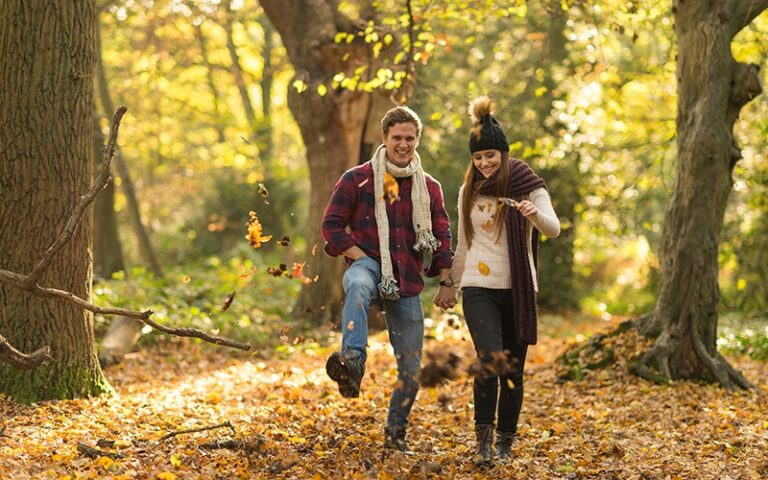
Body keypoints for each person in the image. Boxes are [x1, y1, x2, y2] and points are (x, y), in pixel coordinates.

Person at [321, 105, 456, 451]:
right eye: (397, 137)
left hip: (406, 277)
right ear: (384, 137)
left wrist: (446, 281)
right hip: (367, 263)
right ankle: (352, 361)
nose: (403, 144)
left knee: (411, 369)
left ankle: (395, 434)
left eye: (409, 138)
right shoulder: (357, 179)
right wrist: (360, 257)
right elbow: (331, 226)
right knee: (357, 285)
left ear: (418, 139)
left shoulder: (429, 187)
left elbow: (442, 235)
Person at [446, 96, 560, 467]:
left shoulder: (528, 185)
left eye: (490, 155)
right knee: (489, 361)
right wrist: (450, 284)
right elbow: (464, 242)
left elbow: (554, 228)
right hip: (479, 287)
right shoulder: (469, 190)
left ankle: (505, 445)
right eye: (478, 157)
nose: (484, 163)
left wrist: (533, 213)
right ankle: (483, 442)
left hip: (518, 289)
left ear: (504, 153)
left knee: (512, 372)